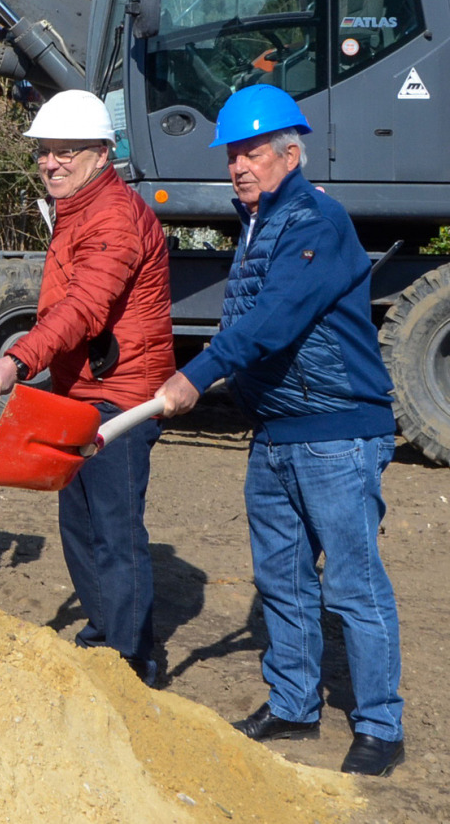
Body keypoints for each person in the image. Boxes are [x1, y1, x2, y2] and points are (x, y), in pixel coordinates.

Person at [151, 84, 405, 777]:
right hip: (277, 431)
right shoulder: (260, 222)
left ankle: (381, 724)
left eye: (253, 151)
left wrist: (195, 375)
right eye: (233, 153)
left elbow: (273, 323)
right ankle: (293, 703)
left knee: (353, 583)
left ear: (290, 153)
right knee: (282, 579)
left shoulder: (317, 222)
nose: (239, 164)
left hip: (337, 430)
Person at [0, 90, 173, 686]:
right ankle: (105, 628)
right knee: (80, 522)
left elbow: (85, 307)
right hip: (80, 389)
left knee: (114, 528)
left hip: (122, 395)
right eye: (44, 152)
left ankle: (135, 657)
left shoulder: (113, 216)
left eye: (66, 152)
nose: (53, 163)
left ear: (101, 153)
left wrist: (17, 359)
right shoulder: (77, 208)